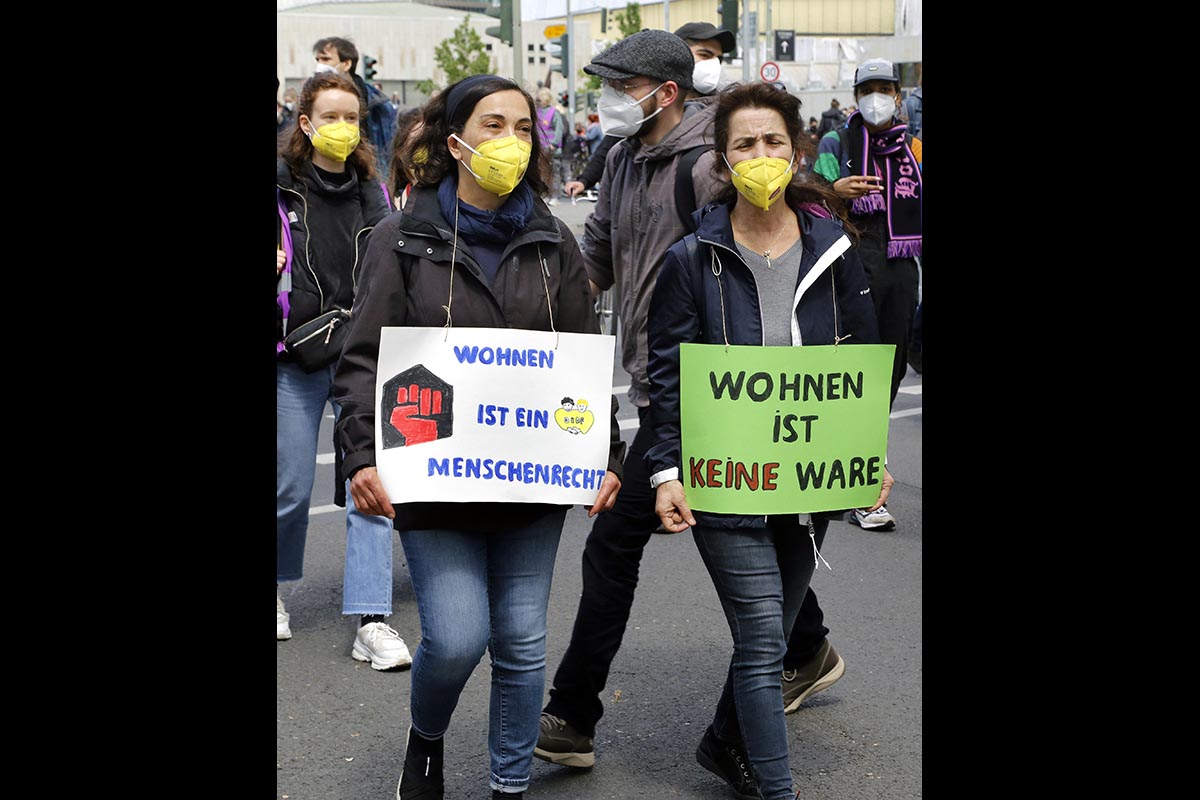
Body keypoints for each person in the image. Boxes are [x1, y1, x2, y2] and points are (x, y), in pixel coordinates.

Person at [330, 74, 626, 800]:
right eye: (493, 126)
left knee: (524, 643)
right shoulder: (405, 236)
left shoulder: (553, 240)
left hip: (530, 479)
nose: (511, 143)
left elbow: (582, 358)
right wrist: (363, 456)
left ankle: (508, 784)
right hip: (435, 475)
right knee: (458, 637)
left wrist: (606, 453)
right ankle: (426, 740)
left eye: (524, 128)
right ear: (455, 140)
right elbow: (363, 356)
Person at [647, 81, 893, 800]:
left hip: (810, 479)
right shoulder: (693, 258)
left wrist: (868, 457)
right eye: (744, 145)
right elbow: (666, 375)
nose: (761, 156)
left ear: (796, 149)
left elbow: (861, 360)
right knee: (762, 642)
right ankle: (777, 789)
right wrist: (666, 470)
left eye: (773, 142)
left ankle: (725, 744)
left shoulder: (837, 247)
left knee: (769, 639)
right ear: (724, 160)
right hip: (723, 480)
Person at [276, 70, 413, 672]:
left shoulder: (372, 196)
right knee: (288, 487)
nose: (342, 128)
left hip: (360, 357)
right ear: (305, 124)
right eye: (329, 116)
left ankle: (370, 617)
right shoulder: (281, 188)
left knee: (371, 486)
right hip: (297, 355)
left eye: (351, 118)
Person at [811, 57, 922, 531]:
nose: (876, 97)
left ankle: (858, 469)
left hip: (900, 269)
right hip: (851, 261)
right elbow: (808, 195)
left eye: (885, 88)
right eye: (867, 89)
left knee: (889, 374)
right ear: (855, 96)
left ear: (898, 95)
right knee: (853, 371)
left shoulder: (915, 147)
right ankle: (858, 483)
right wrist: (837, 189)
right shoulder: (836, 141)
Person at [313, 36, 397, 177]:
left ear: (346, 64)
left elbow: (390, 150)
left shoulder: (379, 105)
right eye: (318, 60)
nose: (320, 65)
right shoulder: (313, 97)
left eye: (326, 59)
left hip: (369, 177)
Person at [387, 106, 425, 210]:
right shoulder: (390, 205)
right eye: (416, 144)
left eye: (429, 141)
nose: (424, 150)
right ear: (401, 152)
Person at [534, 87, 567, 200]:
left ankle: (554, 196)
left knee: (554, 172)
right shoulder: (537, 112)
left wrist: (554, 144)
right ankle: (545, 194)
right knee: (542, 172)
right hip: (540, 148)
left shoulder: (554, 112)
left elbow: (559, 129)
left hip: (552, 148)